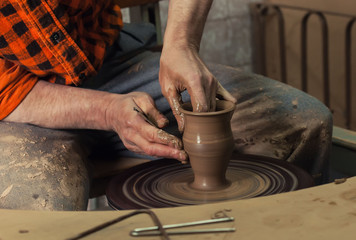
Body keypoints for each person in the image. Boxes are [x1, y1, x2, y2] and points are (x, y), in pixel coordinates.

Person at [0, 0, 332, 210]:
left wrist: (181, 42)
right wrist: (105, 110)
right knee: (43, 204)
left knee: (303, 122)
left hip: (105, 58)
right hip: (19, 102)